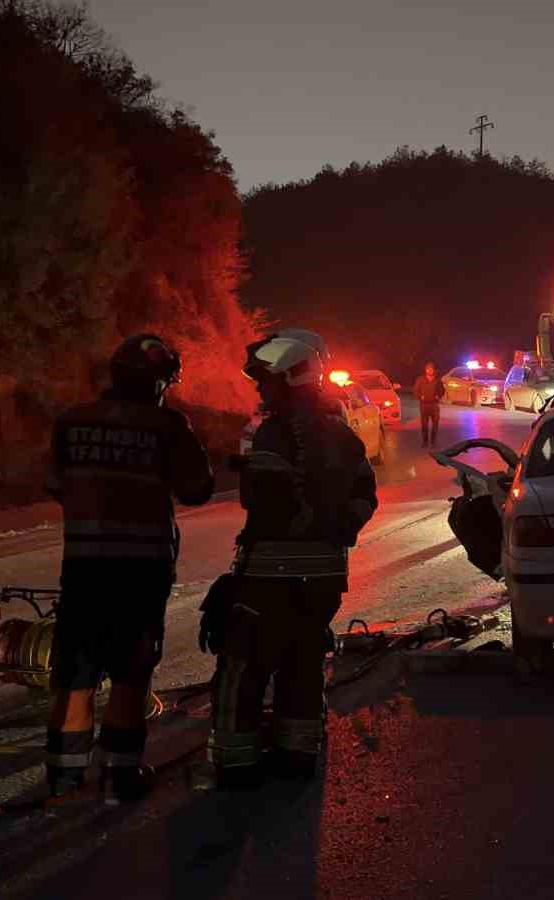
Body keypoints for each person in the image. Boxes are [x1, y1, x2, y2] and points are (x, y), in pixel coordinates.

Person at [197, 331, 377, 788]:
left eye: (265, 382)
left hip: (270, 574)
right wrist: (334, 530)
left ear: (290, 376)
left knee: (245, 661)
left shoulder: (274, 432)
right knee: (302, 661)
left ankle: (236, 761)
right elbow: (363, 497)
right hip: (324, 576)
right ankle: (298, 755)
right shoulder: (342, 434)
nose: (260, 390)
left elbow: (264, 503)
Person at [43, 334, 214, 803]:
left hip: (82, 568)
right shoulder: (166, 425)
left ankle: (63, 782)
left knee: (75, 675)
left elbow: (54, 483)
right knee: (129, 675)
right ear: (160, 383)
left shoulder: (72, 422)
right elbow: (198, 488)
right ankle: (120, 779)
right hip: (141, 571)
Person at [413, 361, 445, 447]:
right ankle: (425, 441)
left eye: (431, 369)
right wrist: (420, 397)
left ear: (434, 370)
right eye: (428, 369)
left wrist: (438, 396)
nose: (430, 370)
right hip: (424, 405)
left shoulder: (438, 380)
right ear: (425, 370)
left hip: (434, 405)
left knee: (435, 424)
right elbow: (416, 391)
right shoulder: (420, 379)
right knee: (424, 425)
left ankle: (433, 442)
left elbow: (442, 390)